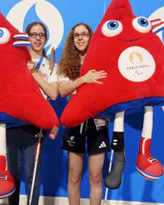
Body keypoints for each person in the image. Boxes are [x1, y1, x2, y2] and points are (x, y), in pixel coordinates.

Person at [7, 22, 59, 205]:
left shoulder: (51, 65)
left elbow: (53, 94)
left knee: (32, 172)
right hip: (12, 121)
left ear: (45, 38)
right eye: (33, 34)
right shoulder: (16, 60)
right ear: (27, 37)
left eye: (41, 35)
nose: (37, 38)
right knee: (12, 172)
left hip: (35, 124)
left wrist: (34, 74)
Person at [58, 23, 110, 205]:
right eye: (76, 35)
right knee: (74, 174)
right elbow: (63, 90)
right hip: (75, 121)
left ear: (91, 37)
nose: (80, 38)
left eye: (84, 34)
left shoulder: (102, 61)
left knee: (96, 175)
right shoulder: (66, 64)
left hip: (98, 121)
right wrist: (83, 79)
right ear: (72, 39)